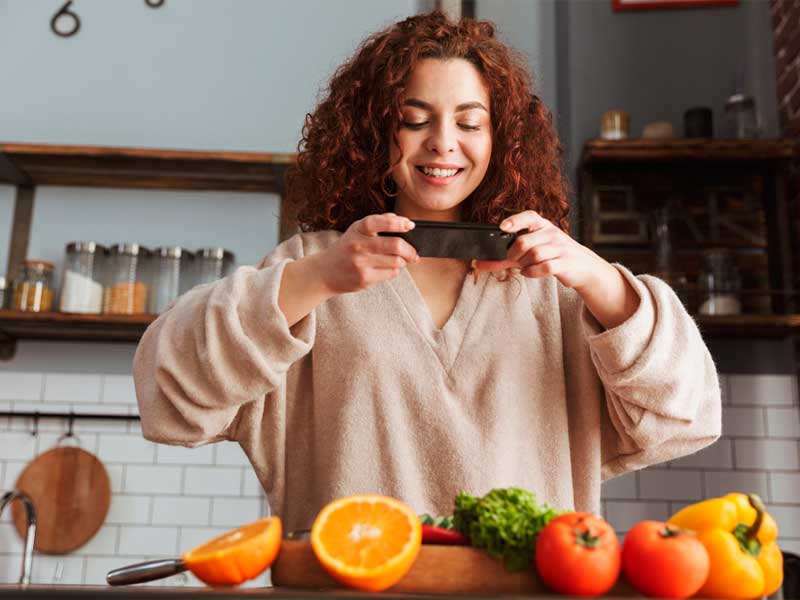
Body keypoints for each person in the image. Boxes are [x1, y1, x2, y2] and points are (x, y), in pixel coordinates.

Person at [133, 11, 721, 533]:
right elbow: (168, 396)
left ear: (500, 138)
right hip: (350, 582)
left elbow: (685, 416)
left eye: (469, 122)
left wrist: (599, 279)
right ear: (374, 134)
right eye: (415, 119)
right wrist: (318, 279)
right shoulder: (312, 264)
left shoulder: (555, 286)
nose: (443, 144)